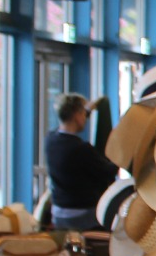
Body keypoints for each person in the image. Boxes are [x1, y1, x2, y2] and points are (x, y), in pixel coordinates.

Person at [45, 94, 118, 230]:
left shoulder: (50, 139)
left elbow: (69, 122)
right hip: (81, 215)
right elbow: (109, 171)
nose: (85, 117)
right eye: (83, 114)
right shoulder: (80, 149)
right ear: (77, 115)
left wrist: (87, 110)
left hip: (58, 214)